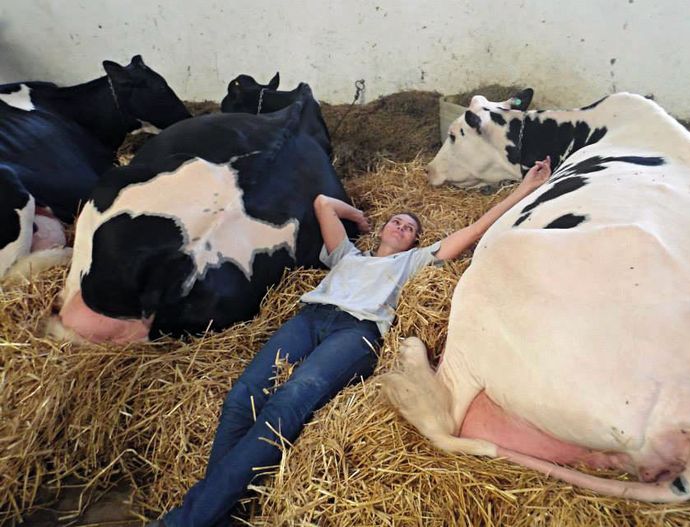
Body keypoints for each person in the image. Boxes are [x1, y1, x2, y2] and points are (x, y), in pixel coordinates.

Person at [152, 157, 552, 527]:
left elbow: (474, 230)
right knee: (242, 396)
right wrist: (357, 217)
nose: (401, 227)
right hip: (309, 319)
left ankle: (187, 519)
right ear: (381, 229)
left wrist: (523, 190)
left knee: (288, 401)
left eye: (410, 228)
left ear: (415, 242)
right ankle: (214, 513)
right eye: (396, 221)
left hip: (355, 332)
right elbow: (324, 203)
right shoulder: (346, 255)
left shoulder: (411, 262)